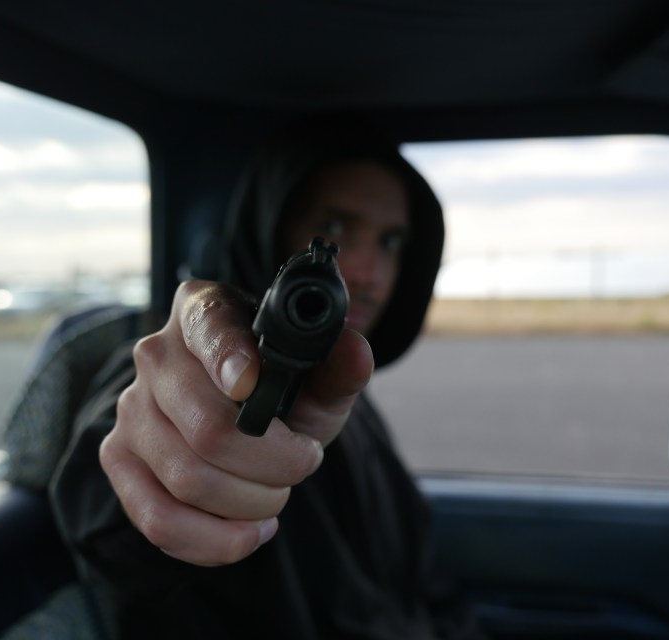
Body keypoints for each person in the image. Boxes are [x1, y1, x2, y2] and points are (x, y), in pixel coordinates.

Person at [50, 117, 485, 639]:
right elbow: (111, 501)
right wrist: (153, 463)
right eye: (336, 228)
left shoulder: (353, 401)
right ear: (271, 229)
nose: (368, 273)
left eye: (391, 242)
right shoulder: (204, 372)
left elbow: (424, 586)